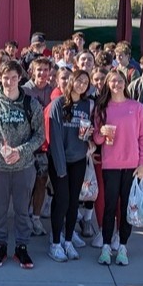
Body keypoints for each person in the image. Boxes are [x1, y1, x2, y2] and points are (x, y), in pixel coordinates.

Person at [0, 60, 45, 269]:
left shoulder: (31, 104)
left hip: (24, 166)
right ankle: (0, 246)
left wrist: (20, 151)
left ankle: (22, 248)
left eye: (13, 77)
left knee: (22, 210)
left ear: (20, 78)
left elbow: (39, 136)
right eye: (5, 77)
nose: (9, 81)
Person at [92, 70, 143, 266]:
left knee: (127, 208)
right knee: (110, 207)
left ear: (125, 83)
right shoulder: (102, 107)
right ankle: (106, 247)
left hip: (132, 166)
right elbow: (97, 139)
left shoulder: (137, 107)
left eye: (120, 80)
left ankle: (123, 246)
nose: (116, 84)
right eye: (113, 81)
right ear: (107, 84)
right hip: (110, 164)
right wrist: (101, 132)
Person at [47, 70, 94, 262]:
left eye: (85, 82)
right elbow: (55, 138)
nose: (82, 84)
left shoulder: (86, 104)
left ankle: (68, 240)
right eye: (79, 80)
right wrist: (60, 168)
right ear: (72, 81)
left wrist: (88, 135)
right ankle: (55, 243)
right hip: (60, 159)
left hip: (78, 159)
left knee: (74, 201)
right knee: (62, 200)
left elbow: (83, 134)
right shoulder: (58, 103)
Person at [22, 57, 55, 237]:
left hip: (45, 145)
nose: (42, 73)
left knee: (41, 181)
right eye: (39, 70)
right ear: (32, 71)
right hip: (27, 144)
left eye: (45, 69)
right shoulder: (24, 91)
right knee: (26, 183)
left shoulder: (53, 91)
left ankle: (35, 217)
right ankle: (24, 217)